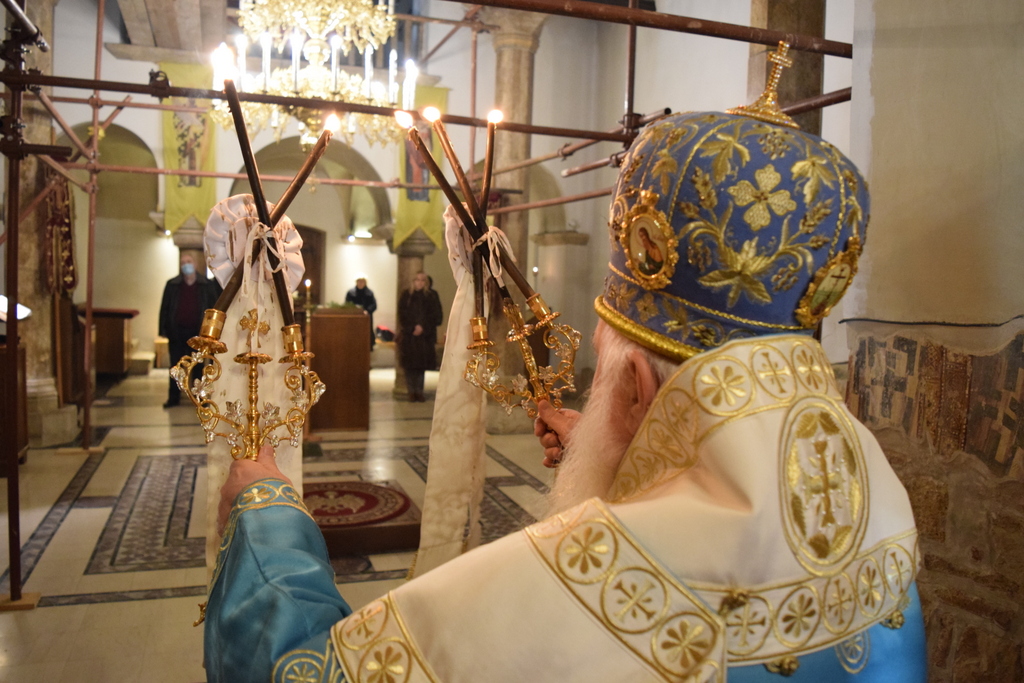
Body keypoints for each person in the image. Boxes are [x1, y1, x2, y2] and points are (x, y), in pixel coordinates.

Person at [203, 106, 926, 682]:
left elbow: (296, 670)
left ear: (637, 388)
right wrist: (640, 452)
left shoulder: (593, 580)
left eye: (606, 368)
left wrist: (268, 516)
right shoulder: (883, 512)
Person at [158, 252, 221, 408]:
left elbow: (213, 309)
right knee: (176, 367)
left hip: (198, 333)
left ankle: (199, 398)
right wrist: (163, 329)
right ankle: (173, 398)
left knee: (198, 367)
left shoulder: (206, 285)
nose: (186, 265)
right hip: (177, 332)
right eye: (183, 262)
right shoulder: (172, 285)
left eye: (189, 261)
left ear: (195, 264)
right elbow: (165, 308)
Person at [397, 271, 443, 402]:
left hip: (425, 336)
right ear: (413, 281)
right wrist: (413, 327)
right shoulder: (407, 295)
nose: (420, 283)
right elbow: (402, 314)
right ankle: (411, 391)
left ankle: (419, 391)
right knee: (409, 365)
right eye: (417, 280)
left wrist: (423, 327)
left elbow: (436, 315)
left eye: (423, 280)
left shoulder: (431, 295)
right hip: (409, 335)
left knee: (421, 365)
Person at [344, 277, 378, 349]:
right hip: (354, 317)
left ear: (365, 283)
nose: (360, 283)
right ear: (356, 282)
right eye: (359, 281)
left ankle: (368, 347)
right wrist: (354, 310)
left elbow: (374, 305)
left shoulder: (369, 293)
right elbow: (347, 304)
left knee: (367, 332)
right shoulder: (350, 292)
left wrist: (367, 310)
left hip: (366, 317)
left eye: (362, 282)